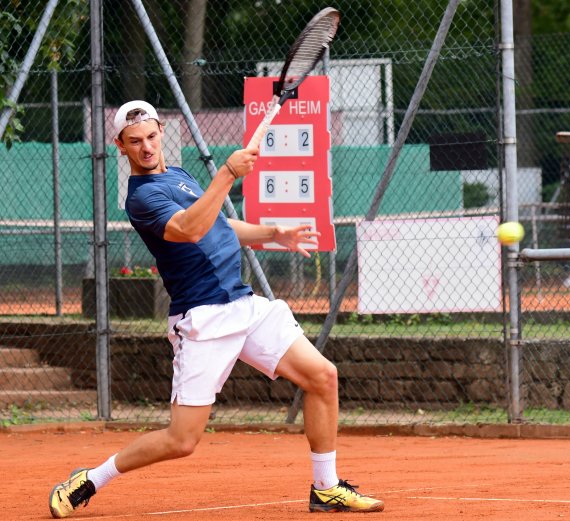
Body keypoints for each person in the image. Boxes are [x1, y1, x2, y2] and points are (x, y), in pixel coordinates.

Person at [48, 100, 384, 518]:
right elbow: (188, 230)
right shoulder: (142, 198)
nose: (146, 147)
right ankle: (90, 479)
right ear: (120, 145)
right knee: (182, 440)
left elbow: (217, 225)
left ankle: (326, 487)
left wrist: (272, 232)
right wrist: (227, 174)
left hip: (244, 304)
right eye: (135, 141)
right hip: (203, 318)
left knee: (322, 376)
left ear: (162, 131)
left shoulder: (178, 176)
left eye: (151, 136)